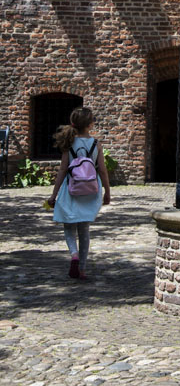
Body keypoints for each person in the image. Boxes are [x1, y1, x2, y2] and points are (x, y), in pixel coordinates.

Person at [47, 107, 110, 280]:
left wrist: (54, 195)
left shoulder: (69, 143)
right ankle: (81, 269)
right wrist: (107, 192)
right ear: (90, 125)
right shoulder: (96, 144)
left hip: (71, 188)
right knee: (84, 230)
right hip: (91, 189)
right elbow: (103, 171)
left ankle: (73, 254)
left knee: (69, 226)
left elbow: (62, 170)